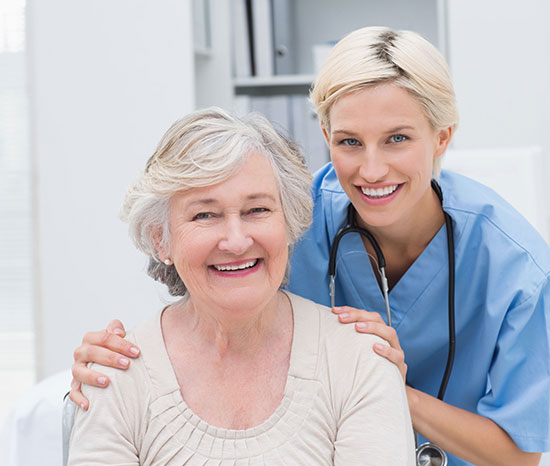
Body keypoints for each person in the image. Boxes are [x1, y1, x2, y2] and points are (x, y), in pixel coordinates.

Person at [70, 27, 550, 465]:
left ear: (442, 138)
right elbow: (210, 292)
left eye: (397, 138)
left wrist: (384, 382)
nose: (371, 170)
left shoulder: (516, 267)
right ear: (326, 135)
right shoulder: (287, 217)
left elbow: (518, 455)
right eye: (349, 142)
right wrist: (118, 362)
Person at [66, 108, 415, 465]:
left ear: (289, 221)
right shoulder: (115, 374)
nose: (235, 241)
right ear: (161, 239)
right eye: (205, 215)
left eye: (257, 210)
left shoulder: (358, 361)